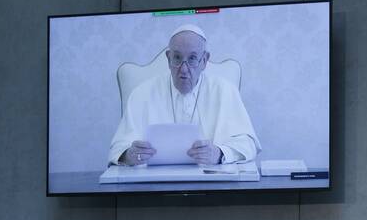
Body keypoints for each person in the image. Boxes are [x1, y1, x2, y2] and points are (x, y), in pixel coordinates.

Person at [108, 24, 261, 166]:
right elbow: (118, 148)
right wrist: (129, 155)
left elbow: (247, 144)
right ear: (168, 58)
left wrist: (220, 153)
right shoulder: (142, 94)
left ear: (204, 60)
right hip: (155, 185)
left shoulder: (225, 91)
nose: (184, 69)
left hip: (211, 183)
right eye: (177, 58)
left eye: (193, 58)